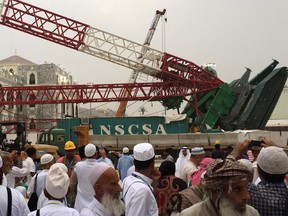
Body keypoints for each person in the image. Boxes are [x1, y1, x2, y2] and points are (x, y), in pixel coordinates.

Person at [180, 157, 259, 216]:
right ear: (217, 192)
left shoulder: (251, 213)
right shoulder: (190, 214)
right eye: (237, 190)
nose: (247, 196)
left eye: (245, 188)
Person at [122, 142, 161, 216]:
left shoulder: (127, 180)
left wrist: (154, 181)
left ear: (134, 162)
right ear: (153, 163)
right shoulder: (142, 191)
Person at [71, 143, 99, 212]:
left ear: (85, 154)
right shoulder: (102, 167)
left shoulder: (78, 166)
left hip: (80, 206)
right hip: (96, 206)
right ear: (96, 154)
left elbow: (72, 183)